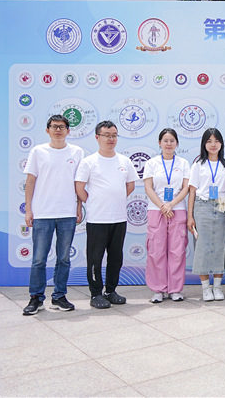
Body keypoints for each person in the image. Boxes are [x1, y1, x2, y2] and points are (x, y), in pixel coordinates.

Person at [22, 115, 84, 315]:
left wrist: (79, 207)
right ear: (47, 130)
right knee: (39, 259)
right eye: (54, 126)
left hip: (67, 213)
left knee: (64, 258)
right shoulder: (38, 151)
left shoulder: (77, 152)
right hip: (43, 213)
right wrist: (29, 209)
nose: (58, 130)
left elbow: (79, 182)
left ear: (68, 130)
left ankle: (59, 296)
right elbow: (30, 182)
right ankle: (36, 298)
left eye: (62, 127)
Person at [75, 120, 138, 309]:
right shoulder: (89, 162)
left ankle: (111, 291)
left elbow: (130, 185)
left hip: (119, 218)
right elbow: (79, 187)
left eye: (114, 135)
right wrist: (94, 201)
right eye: (107, 135)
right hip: (97, 219)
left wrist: (115, 198)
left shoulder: (124, 161)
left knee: (116, 258)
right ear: (97, 137)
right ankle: (95, 294)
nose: (111, 139)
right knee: (95, 258)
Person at [143, 128, 191, 303]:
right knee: (156, 251)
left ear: (177, 143)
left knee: (177, 251)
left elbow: (186, 188)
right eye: (165, 140)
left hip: (177, 210)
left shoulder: (183, 163)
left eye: (172, 140)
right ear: (159, 143)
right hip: (157, 210)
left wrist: (171, 204)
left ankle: (175, 289)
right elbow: (148, 188)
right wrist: (162, 206)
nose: (169, 144)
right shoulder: (152, 163)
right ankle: (159, 289)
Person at [187, 128, 225, 302]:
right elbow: (192, 191)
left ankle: (217, 287)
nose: (213, 145)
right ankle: (206, 288)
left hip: (221, 207)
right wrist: (190, 216)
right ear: (204, 144)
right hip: (202, 206)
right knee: (202, 247)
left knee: (220, 245)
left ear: (221, 144)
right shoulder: (198, 165)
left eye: (216, 141)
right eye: (209, 141)